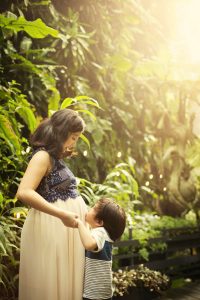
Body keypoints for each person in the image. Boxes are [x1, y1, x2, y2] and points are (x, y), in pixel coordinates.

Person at [16, 108, 88, 300]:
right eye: (73, 137)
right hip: (52, 226)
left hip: (62, 229)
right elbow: (24, 192)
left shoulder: (54, 158)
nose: (74, 143)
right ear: (62, 132)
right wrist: (62, 214)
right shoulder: (42, 157)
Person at [76, 197, 126, 300]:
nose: (89, 208)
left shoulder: (101, 232)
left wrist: (79, 224)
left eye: (93, 208)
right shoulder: (104, 234)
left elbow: (89, 244)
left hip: (94, 293)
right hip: (103, 292)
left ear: (99, 222)